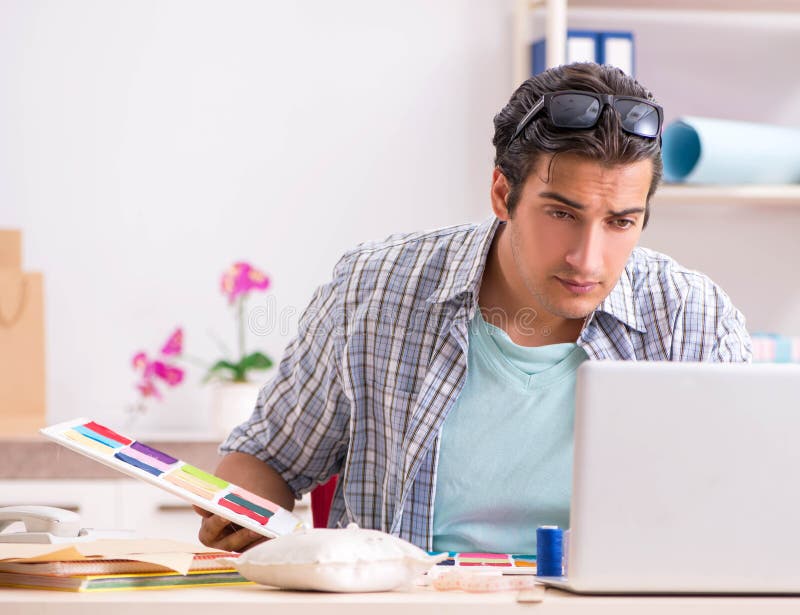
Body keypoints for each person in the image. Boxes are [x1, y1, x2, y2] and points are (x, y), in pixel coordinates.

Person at [196, 62, 751, 554]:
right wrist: (243, 510)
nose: (588, 259)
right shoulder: (373, 288)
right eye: (561, 214)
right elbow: (266, 459)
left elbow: (743, 502)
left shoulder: (690, 317)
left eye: (620, 222)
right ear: (501, 192)